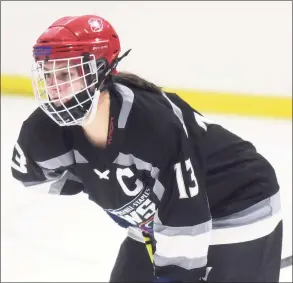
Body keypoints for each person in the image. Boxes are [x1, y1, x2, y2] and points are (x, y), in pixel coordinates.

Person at [11, 14, 283, 282]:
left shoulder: (153, 127)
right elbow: (34, 176)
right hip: (164, 213)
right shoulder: (42, 132)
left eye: (66, 74)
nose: (54, 88)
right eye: (47, 74)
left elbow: (185, 218)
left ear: (101, 71)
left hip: (238, 201)